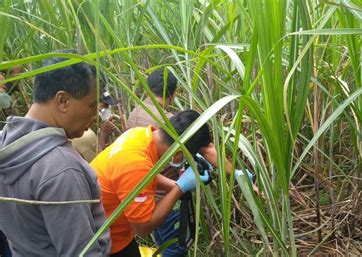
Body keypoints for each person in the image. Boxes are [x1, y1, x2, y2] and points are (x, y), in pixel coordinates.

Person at [126, 69, 253, 256]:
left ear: (148, 89)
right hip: (167, 200)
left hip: (145, 196)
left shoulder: (134, 115)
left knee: (163, 244)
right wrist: (236, 172)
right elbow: (208, 150)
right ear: (173, 93)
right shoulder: (170, 124)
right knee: (175, 249)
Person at [0, 51, 110, 256]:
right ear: (63, 101)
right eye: (92, 106)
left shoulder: (5, 141)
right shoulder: (61, 168)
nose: (94, 116)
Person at [90, 110, 212, 257]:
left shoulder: (139, 135)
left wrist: (175, 184)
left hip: (104, 225)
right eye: (187, 158)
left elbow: (145, 175)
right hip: (109, 242)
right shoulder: (135, 165)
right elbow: (142, 229)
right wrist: (180, 188)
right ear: (179, 151)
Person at [71, 90, 120, 162]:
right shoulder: (83, 135)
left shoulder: (72, 129)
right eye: (102, 107)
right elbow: (99, 163)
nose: (104, 111)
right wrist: (103, 133)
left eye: (107, 107)